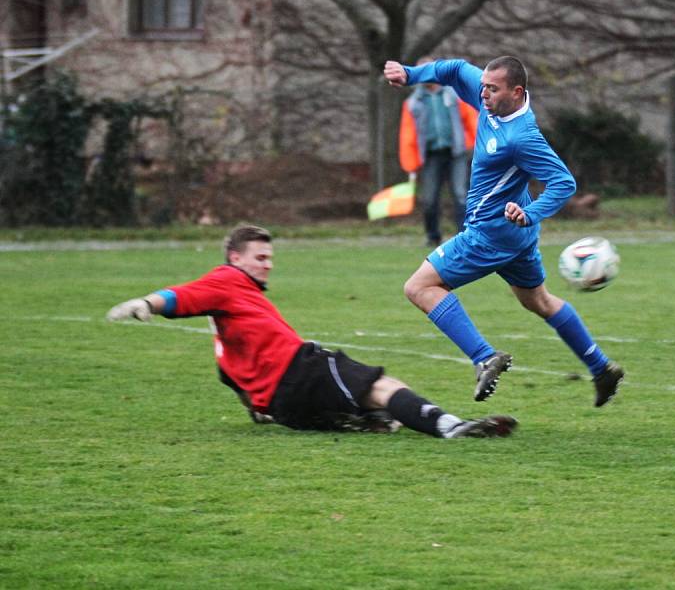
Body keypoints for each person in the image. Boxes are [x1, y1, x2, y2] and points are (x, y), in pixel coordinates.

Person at [106, 224, 517, 439]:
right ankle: (449, 426)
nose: (268, 265)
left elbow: (234, 381)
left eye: (270, 258)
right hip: (299, 368)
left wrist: (258, 411)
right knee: (381, 385)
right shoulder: (226, 280)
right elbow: (182, 295)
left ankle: (362, 420)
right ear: (235, 258)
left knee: (363, 409)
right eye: (260, 258)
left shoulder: (223, 343)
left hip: (284, 408)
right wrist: (148, 304)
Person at [384, 56, 624, 406]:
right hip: (515, 236)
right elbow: (452, 69)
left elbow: (563, 182)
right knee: (538, 301)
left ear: (517, 92)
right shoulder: (488, 94)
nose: (483, 94)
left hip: (490, 234)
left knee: (419, 287)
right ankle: (601, 368)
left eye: (492, 90)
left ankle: (483, 356)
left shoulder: (522, 137)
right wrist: (411, 74)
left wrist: (530, 213)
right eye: (482, 86)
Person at [399, 57, 477, 246]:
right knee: (429, 198)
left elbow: (472, 119)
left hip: (456, 152)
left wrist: (477, 144)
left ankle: (464, 235)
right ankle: (433, 236)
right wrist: (411, 162)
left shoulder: (455, 95)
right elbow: (407, 134)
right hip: (431, 156)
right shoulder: (413, 103)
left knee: (460, 194)